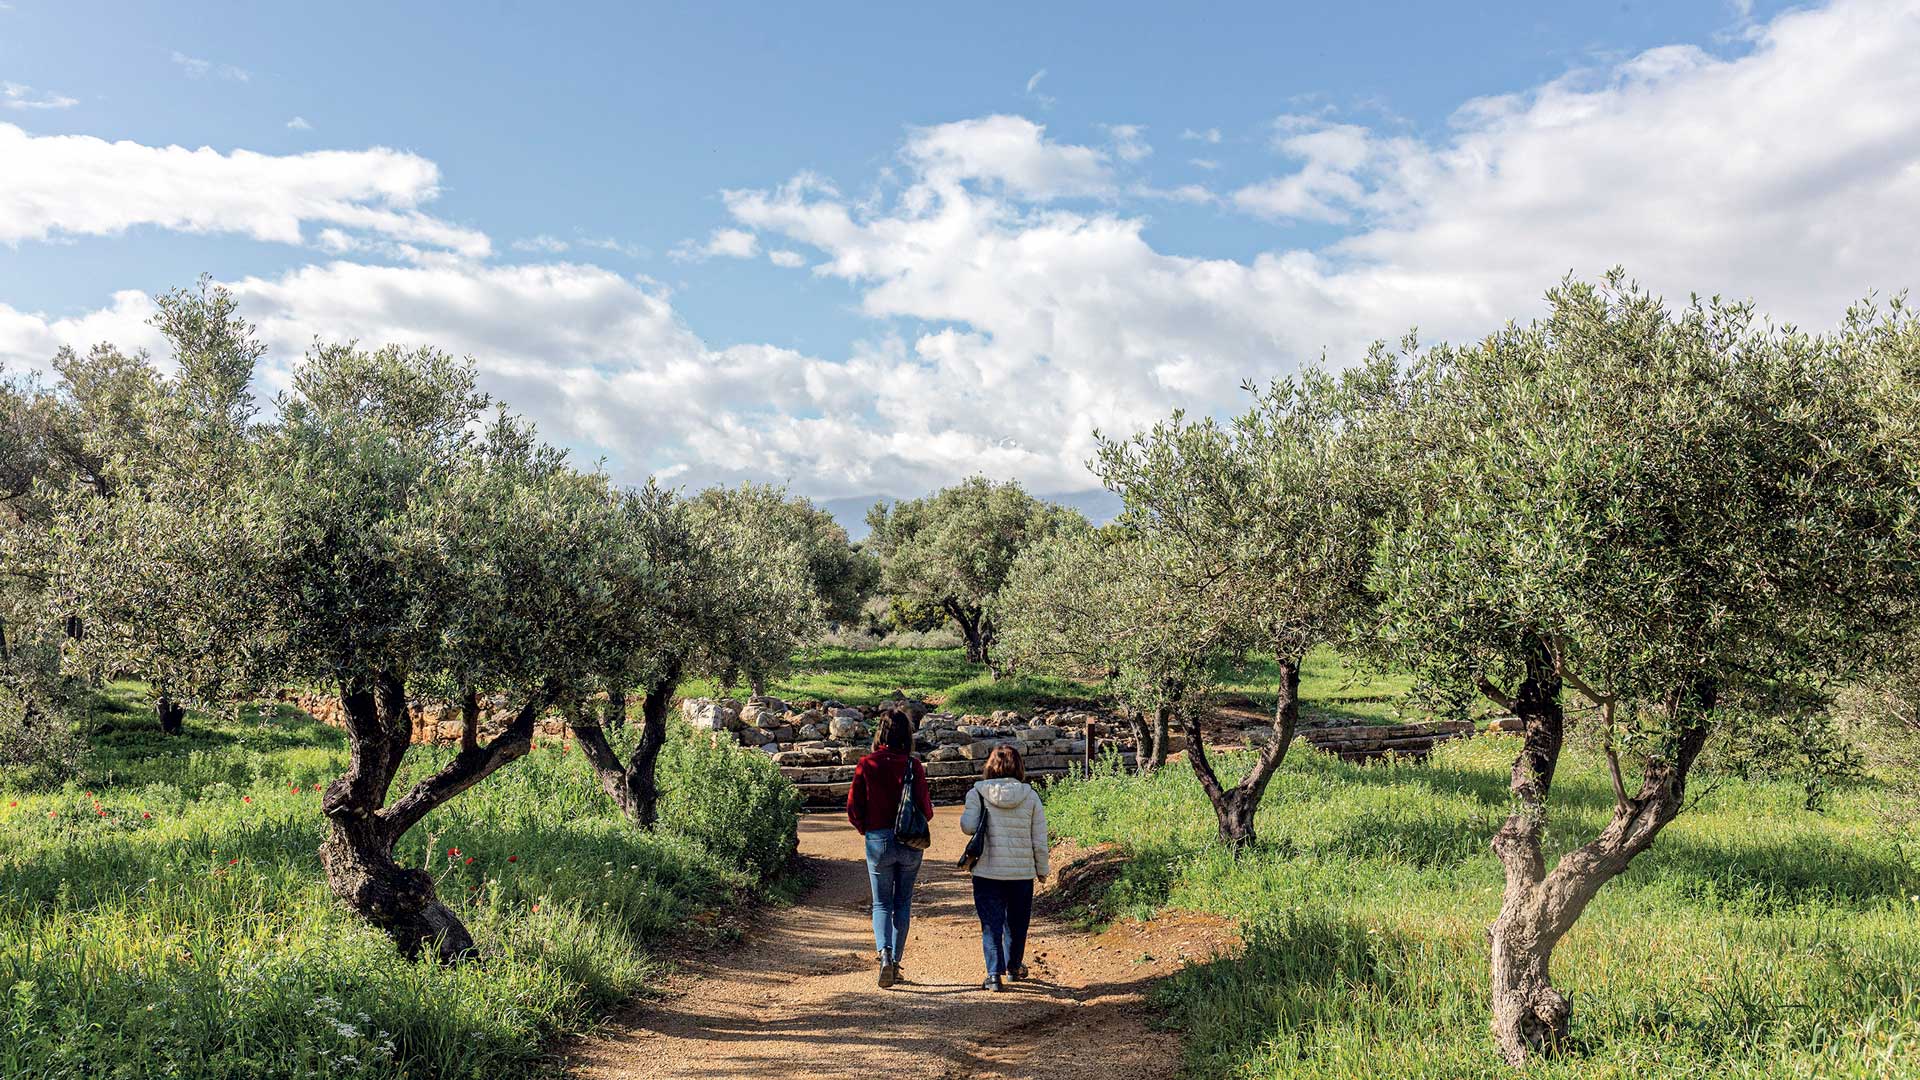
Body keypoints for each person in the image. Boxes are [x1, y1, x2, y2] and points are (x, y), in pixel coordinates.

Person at [847, 709, 933, 989]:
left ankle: (883, 954)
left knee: (881, 903)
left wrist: (867, 830)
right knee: (902, 902)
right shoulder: (913, 765)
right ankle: (895, 962)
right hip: (909, 842)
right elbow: (926, 811)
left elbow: (853, 808)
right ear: (906, 735)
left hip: (878, 840)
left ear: (880, 733)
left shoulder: (866, 764)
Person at [960, 743, 1050, 992]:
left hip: (987, 872)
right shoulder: (1030, 796)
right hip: (1021, 873)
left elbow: (968, 827)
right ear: (1019, 766)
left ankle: (992, 975)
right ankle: (1013, 967)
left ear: (990, 766)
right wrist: (1042, 869)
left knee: (991, 923)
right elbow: (1039, 839)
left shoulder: (977, 793)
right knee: (1018, 922)